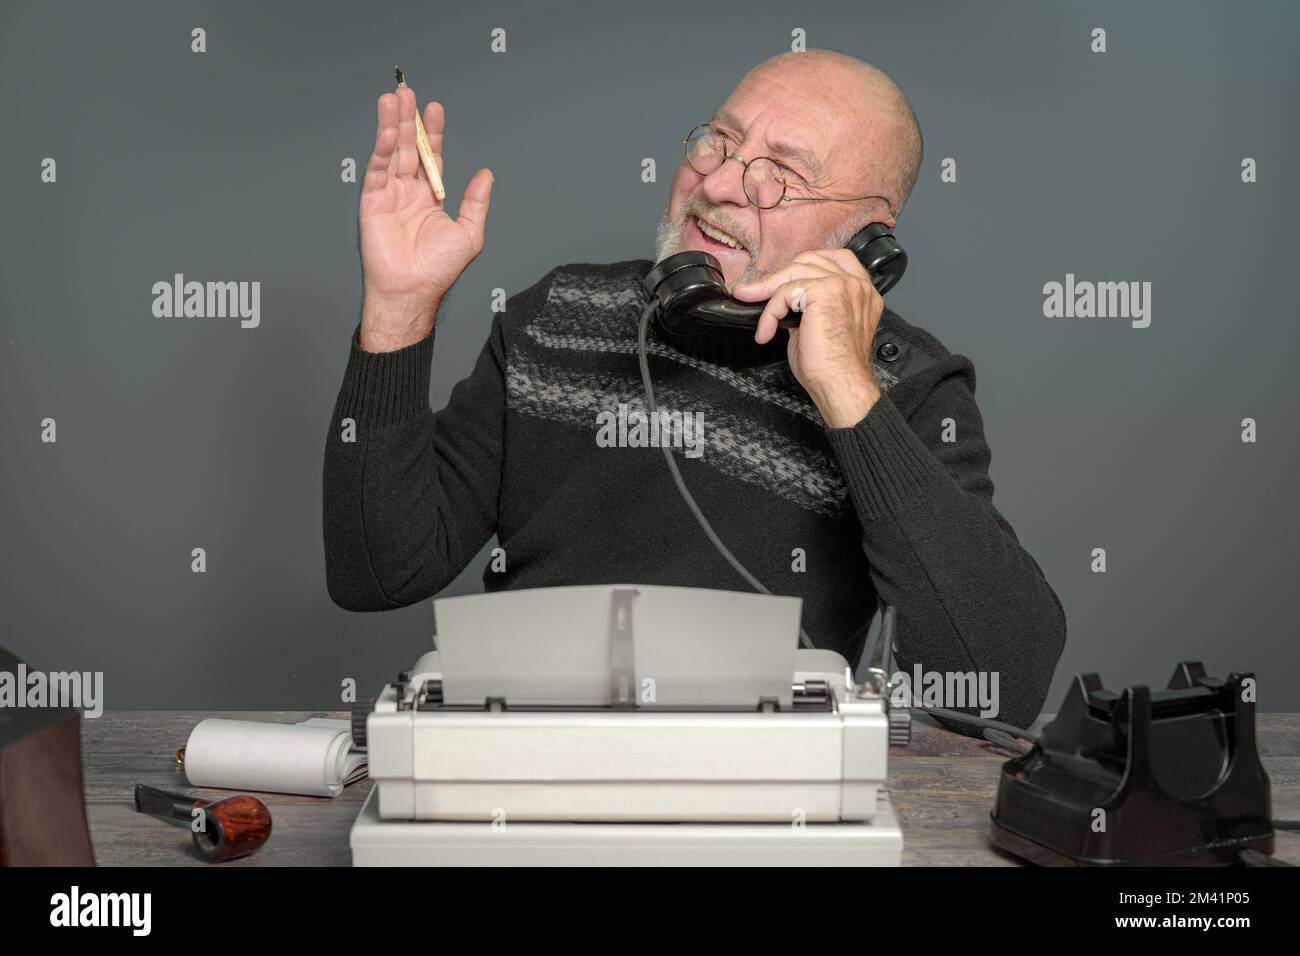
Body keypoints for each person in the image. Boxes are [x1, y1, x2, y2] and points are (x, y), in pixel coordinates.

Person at [323, 49, 1067, 731]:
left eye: (780, 172)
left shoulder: (908, 384)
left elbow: (1001, 680)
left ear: (869, 238)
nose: (714, 183)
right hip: (526, 768)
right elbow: (379, 571)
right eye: (719, 140)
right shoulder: (555, 316)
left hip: (763, 802)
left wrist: (846, 390)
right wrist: (397, 308)